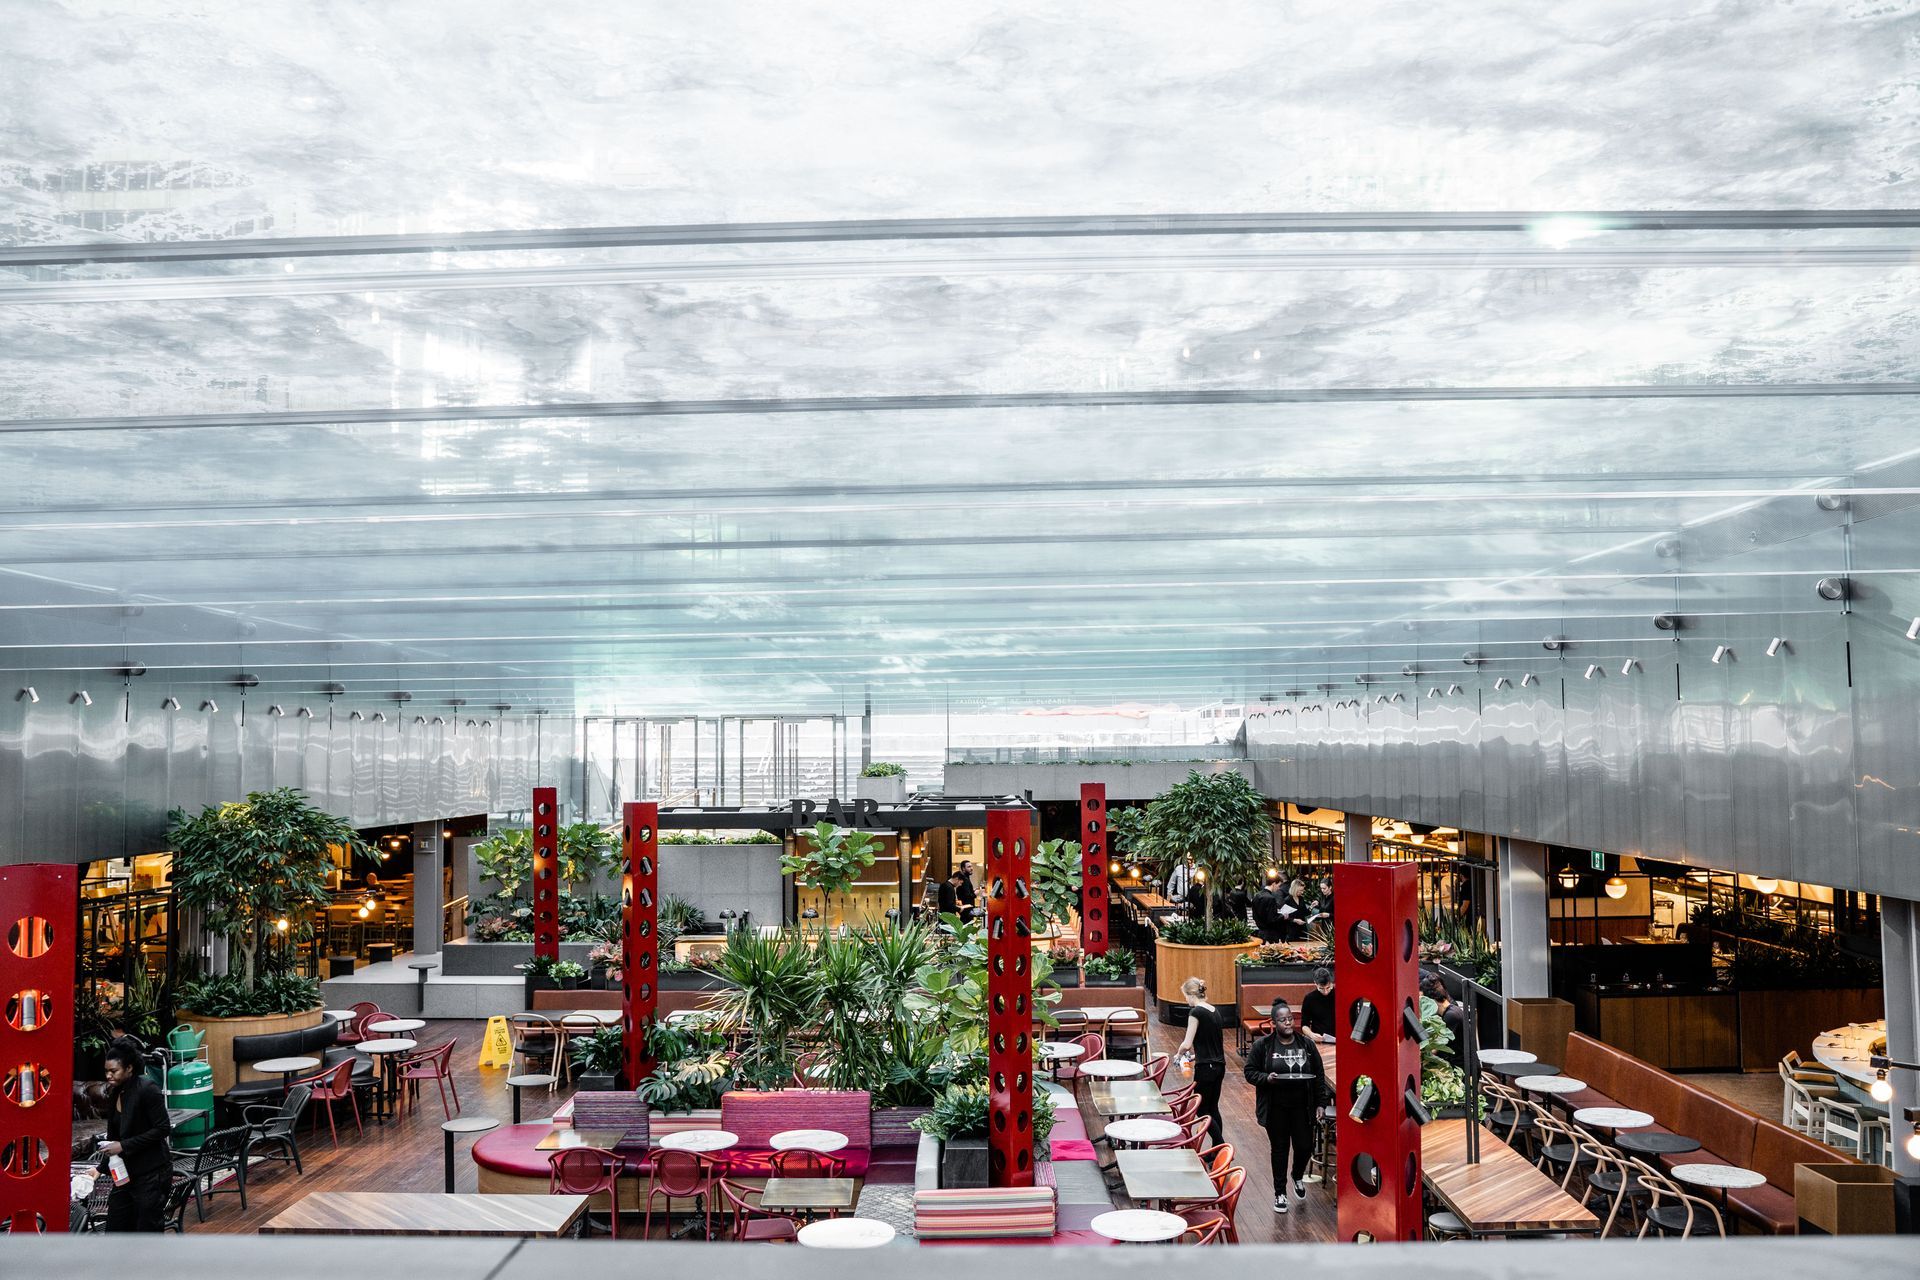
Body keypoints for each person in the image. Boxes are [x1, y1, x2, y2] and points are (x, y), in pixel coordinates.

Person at [1244, 998, 1326, 1215]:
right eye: (1283, 1020)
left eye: (1290, 1019)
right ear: (1274, 1023)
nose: (1288, 1023)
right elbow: (1250, 1072)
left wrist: (1321, 1103)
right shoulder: (1263, 1046)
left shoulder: (1306, 1045)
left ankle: (1297, 1175)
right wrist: (1266, 1078)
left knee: (1305, 1146)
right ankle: (1279, 1193)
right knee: (1279, 1150)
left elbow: (1318, 1075)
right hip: (1276, 1107)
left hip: (1303, 1106)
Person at [99, 1041, 171, 1231]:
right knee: (116, 1225)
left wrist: (124, 1146)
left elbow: (163, 1128)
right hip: (124, 1172)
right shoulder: (115, 1092)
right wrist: (100, 1168)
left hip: (151, 1172)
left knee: (147, 1228)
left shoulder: (147, 1089)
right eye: (106, 1071)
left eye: (113, 1071)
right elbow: (114, 1134)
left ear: (129, 1068)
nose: (108, 1076)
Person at [1175, 977, 1227, 1144]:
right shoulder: (1214, 1010)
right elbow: (1211, 1044)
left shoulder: (1196, 1012)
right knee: (1213, 1107)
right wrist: (1194, 1057)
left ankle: (1221, 1145)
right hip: (1219, 1065)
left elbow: (1187, 1043)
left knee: (1202, 1108)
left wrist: (1179, 1053)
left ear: (1191, 995)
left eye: (1185, 996)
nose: (1185, 1000)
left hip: (1206, 1069)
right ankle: (1216, 1150)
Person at [1422, 973, 1474, 1072]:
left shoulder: (1451, 1016)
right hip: (1458, 1065)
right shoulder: (1451, 1009)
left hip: (1464, 1071)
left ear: (1431, 1000)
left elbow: (1435, 1048)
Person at [1300, 966, 1336, 1042]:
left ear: (1332, 983)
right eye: (1321, 989)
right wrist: (1311, 1034)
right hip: (1320, 1040)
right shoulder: (1310, 998)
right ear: (1315, 983)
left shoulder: (1339, 995)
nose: (1326, 992)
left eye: (1328, 987)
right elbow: (1304, 1024)